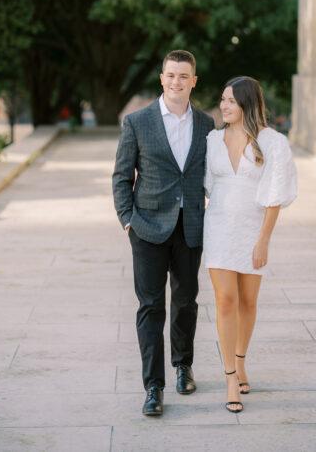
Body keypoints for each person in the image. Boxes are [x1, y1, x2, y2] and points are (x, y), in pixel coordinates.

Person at [112, 50, 214, 416]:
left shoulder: (206, 125)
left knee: (186, 301)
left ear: (193, 81)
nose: (176, 82)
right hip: (147, 228)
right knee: (151, 306)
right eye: (171, 75)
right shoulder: (137, 122)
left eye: (183, 76)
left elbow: (212, 175)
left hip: (190, 228)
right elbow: (122, 176)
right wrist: (128, 220)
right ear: (161, 78)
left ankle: (183, 366)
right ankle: (154, 387)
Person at [203, 76, 297, 412]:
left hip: (252, 230)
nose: (223, 106)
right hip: (217, 229)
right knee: (225, 301)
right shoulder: (212, 140)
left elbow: (275, 196)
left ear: (247, 103)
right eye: (222, 99)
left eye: (230, 100)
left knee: (248, 301)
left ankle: (241, 359)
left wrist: (264, 241)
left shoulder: (271, 142)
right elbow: (205, 185)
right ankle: (230, 375)